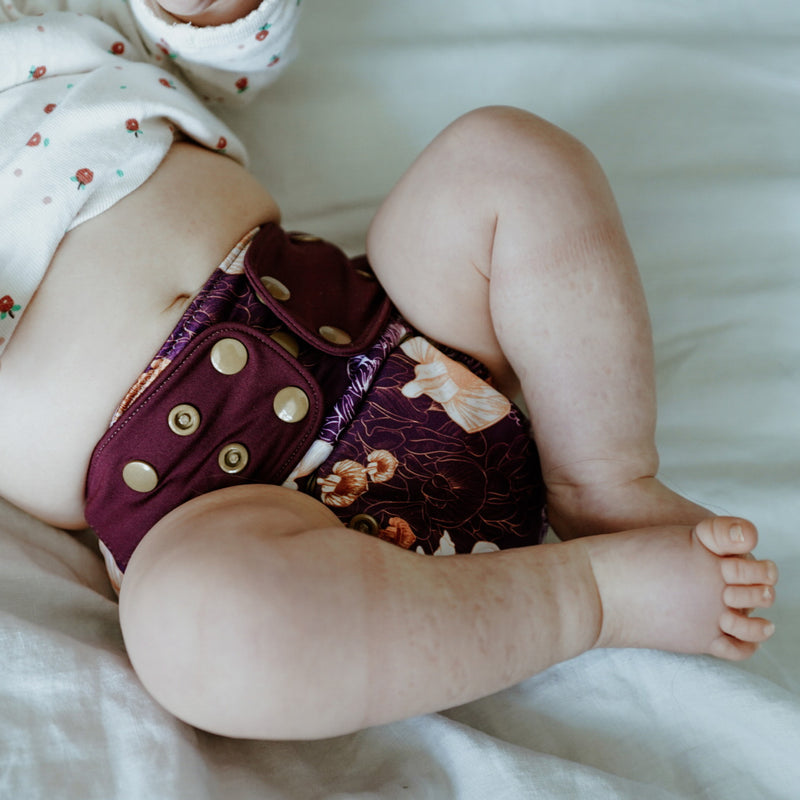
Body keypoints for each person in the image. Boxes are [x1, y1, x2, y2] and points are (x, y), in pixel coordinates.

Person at [0, 0, 778, 741]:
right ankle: (589, 597)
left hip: (367, 320)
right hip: (207, 506)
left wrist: (203, 16)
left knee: (504, 157)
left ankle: (603, 481)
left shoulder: (35, 28)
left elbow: (214, 68)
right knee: (199, 636)